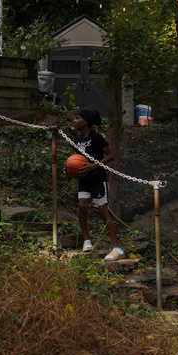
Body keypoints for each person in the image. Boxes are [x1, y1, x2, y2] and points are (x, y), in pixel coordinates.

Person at [72, 107, 123, 260]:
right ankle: (87, 241)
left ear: (86, 121)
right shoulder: (76, 139)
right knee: (82, 206)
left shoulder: (96, 137)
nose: (74, 121)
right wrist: (69, 169)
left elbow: (111, 155)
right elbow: (75, 159)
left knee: (103, 211)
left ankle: (116, 247)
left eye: (77, 118)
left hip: (97, 179)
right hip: (84, 179)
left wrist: (94, 165)